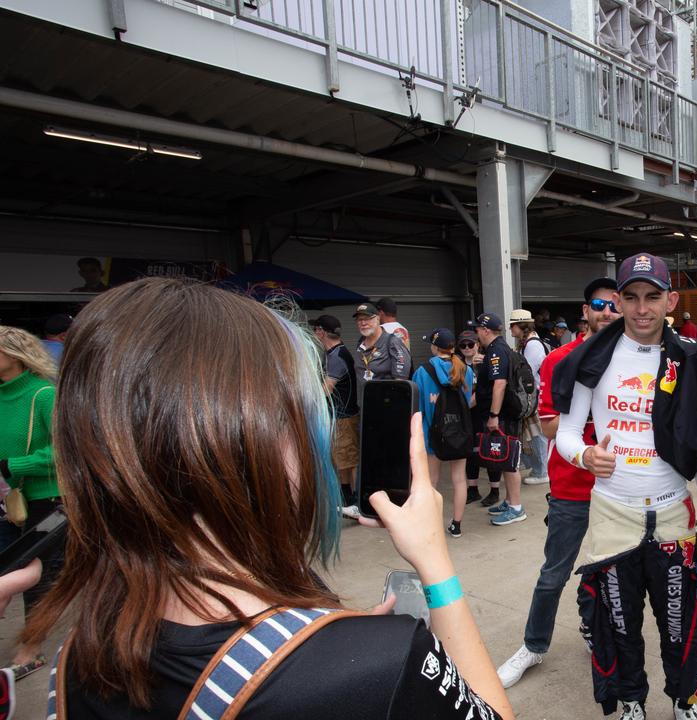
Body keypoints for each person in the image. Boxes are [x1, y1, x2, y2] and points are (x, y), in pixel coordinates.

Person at [21, 278, 513, 718]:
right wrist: (435, 569)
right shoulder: (380, 668)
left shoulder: (79, 656)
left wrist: (331, 638)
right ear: (253, 442)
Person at [552, 253, 697, 720]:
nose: (642, 308)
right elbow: (566, 433)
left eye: (652, 297)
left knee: (679, 623)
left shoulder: (690, 359)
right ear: (618, 301)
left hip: (672, 515)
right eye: (631, 297)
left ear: (670, 300)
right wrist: (585, 455)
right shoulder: (593, 356)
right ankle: (631, 700)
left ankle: (683, 701)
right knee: (619, 625)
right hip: (613, 515)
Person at [497, 277, 620, 688]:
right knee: (554, 573)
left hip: (622, 491)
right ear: (585, 311)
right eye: (599, 305)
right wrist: (586, 433)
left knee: (611, 575)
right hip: (571, 488)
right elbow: (548, 426)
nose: (608, 312)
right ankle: (533, 645)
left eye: (615, 306)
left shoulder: (636, 361)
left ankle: (595, 631)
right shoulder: (559, 359)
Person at [0, 326, 62, 680]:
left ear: (15, 355)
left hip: (45, 498)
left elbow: (66, 448)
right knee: (8, 570)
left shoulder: (43, 395)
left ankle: (31, 648)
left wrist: (14, 466)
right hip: (6, 498)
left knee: (35, 575)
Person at [413, 328, 475, 537]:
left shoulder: (423, 371)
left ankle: (431, 525)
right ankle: (456, 526)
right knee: (459, 479)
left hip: (432, 433)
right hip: (459, 431)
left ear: (434, 346)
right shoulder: (466, 369)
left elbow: (417, 406)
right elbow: (468, 402)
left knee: (431, 481)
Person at [472, 312, 527, 526]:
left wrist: (493, 416)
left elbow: (499, 384)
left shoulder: (496, 351)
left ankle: (516, 508)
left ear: (486, 330)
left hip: (503, 415)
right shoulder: (498, 349)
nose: (477, 333)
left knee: (509, 460)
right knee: (504, 459)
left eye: (478, 329)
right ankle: (508, 501)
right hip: (505, 414)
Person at [310, 315, 361, 519]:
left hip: (344, 417)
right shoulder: (334, 353)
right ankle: (346, 497)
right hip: (339, 416)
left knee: (350, 459)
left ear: (321, 331)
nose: (314, 335)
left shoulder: (338, 356)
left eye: (315, 330)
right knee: (341, 460)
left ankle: (357, 501)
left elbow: (325, 390)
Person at [510, 309, 550, 486]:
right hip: (534, 394)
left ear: (520, 326)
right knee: (532, 432)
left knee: (537, 433)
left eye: (512, 326)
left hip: (535, 395)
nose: (511, 330)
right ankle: (535, 466)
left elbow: (528, 373)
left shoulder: (532, 345)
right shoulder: (529, 342)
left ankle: (541, 471)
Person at [459, 329, 497, 505]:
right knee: (470, 453)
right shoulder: (456, 365)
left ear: (478, 344)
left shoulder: (486, 361)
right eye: (463, 345)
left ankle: (494, 490)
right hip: (466, 418)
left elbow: (489, 389)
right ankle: (472, 489)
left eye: (470, 344)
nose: (467, 348)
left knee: (490, 452)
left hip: (483, 414)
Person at [354, 302, 409, 382]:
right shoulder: (360, 343)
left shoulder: (393, 342)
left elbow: (401, 382)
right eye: (359, 319)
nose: (363, 323)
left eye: (367, 318)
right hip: (363, 394)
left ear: (378, 318)